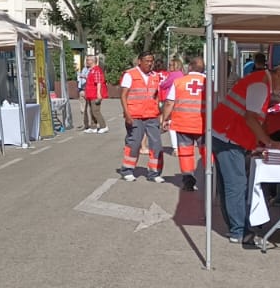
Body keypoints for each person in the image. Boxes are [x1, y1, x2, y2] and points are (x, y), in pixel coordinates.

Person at [210, 59, 280, 245]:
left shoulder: (260, 82)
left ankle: (237, 227)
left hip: (225, 134)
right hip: (229, 137)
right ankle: (239, 231)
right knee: (236, 185)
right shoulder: (261, 85)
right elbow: (251, 118)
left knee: (231, 185)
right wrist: (268, 142)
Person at [162, 56, 207, 191]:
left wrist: (164, 119)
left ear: (190, 67)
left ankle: (188, 179)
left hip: (183, 124)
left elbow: (170, 102)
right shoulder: (209, 83)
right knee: (206, 151)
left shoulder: (179, 82)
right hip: (203, 124)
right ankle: (212, 178)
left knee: (186, 153)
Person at [119, 53, 164, 183]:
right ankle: (127, 170)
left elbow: (156, 96)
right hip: (135, 115)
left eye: (151, 61)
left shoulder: (155, 76)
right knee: (134, 143)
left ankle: (154, 173)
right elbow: (123, 95)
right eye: (146, 61)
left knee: (156, 144)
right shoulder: (130, 74)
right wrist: (127, 114)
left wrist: (160, 113)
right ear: (139, 61)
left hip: (151, 115)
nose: (149, 63)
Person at [82, 56, 108, 134]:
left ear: (93, 61)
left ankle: (104, 126)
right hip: (90, 94)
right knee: (91, 111)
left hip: (95, 94)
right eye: (87, 60)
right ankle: (93, 127)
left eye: (88, 60)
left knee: (95, 111)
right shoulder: (91, 70)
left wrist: (98, 93)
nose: (87, 61)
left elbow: (99, 82)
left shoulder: (96, 70)